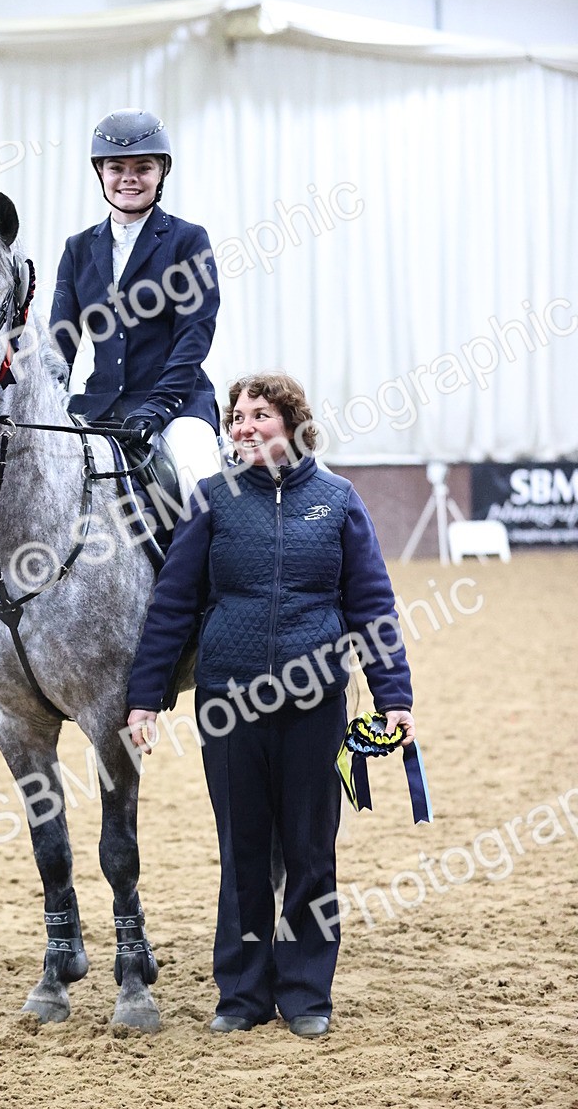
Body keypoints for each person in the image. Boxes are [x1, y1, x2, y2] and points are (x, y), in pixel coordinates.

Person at [126, 372, 416, 1037]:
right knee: (244, 850)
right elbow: (172, 605)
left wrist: (391, 696)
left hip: (317, 705)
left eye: (260, 415)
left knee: (313, 851)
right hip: (230, 704)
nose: (245, 427)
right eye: (237, 418)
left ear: (292, 423)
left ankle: (307, 992)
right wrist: (146, 700)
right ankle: (243, 994)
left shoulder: (338, 501)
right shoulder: (210, 501)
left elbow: (372, 607)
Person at [49, 109, 222, 496]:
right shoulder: (77, 249)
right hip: (98, 408)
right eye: (116, 167)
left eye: (143, 167)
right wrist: (48, 399)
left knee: (202, 487)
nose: (129, 178)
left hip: (178, 406)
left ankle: (220, 556)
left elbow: (194, 335)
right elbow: (60, 342)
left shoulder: (187, 240)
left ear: (161, 173)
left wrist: (158, 407)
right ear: (101, 174)